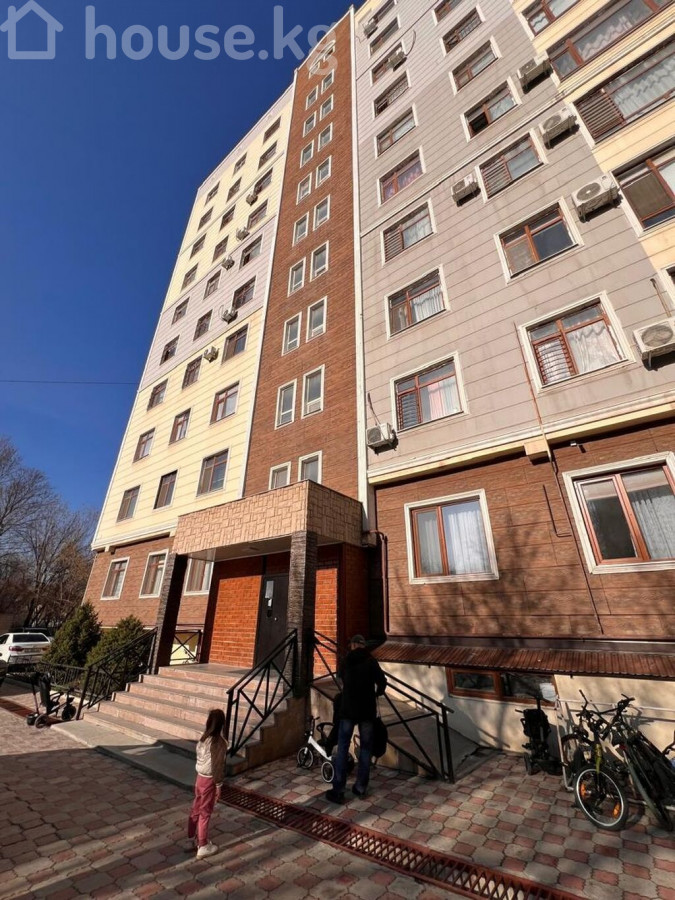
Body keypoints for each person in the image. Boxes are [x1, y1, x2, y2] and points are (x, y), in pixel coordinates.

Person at [325, 634, 387, 804]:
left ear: (353, 645)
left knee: (343, 747)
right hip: (367, 711)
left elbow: (341, 679)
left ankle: (338, 789)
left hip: (348, 710)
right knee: (366, 749)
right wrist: (376, 693)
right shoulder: (371, 661)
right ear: (363, 645)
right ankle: (360, 787)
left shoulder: (346, 660)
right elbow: (382, 682)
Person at [188, 708, 228, 859]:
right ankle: (203, 844)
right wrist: (219, 786)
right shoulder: (219, 743)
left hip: (199, 777)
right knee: (205, 812)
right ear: (222, 725)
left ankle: (191, 837)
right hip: (209, 780)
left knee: (196, 808)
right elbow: (217, 766)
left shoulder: (203, 738)